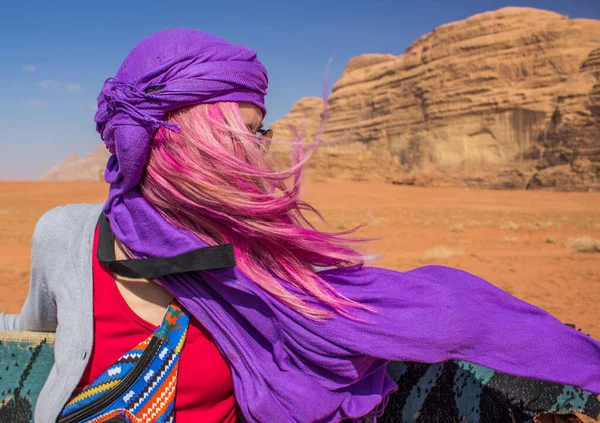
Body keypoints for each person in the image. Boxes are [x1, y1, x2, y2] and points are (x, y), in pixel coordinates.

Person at [1, 28, 598, 423]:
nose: (262, 152)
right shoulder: (67, 236)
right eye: (248, 133)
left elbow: (442, 311)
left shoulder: (263, 259)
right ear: (191, 143)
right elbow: (32, 330)